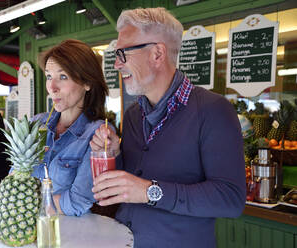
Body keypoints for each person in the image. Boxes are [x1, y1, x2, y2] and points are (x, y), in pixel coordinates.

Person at [90, 7, 246, 248]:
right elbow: (131, 184)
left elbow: (230, 199)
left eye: (122, 53)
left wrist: (150, 191)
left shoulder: (213, 110)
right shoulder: (133, 115)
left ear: (157, 53)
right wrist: (115, 154)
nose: (117, 65)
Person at [32, 39, 109, 216]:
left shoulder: (97, 135)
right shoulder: (36, 124)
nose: (52, 87)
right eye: (49, 76)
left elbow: (78, 201)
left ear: (87, 83)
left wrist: (28, 203)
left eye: (63, 77)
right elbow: (15, 178)